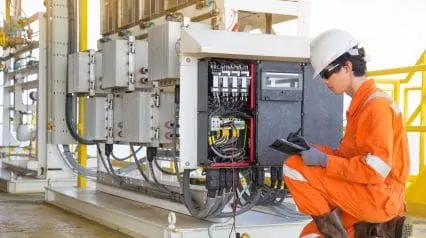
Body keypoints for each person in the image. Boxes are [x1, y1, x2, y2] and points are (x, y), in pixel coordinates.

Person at [283, 29, 413, 238]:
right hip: (368, 191)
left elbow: (374, 170)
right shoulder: (363, 105)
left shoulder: (375, 107)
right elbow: (351, 157)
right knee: (310, 235)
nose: (325, 81)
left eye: (326, 73)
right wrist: (313, 150)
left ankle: (372, 226)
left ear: (347, 67)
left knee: (293, 167)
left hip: (378, 197)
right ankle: (368, 230)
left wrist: (324, 161)